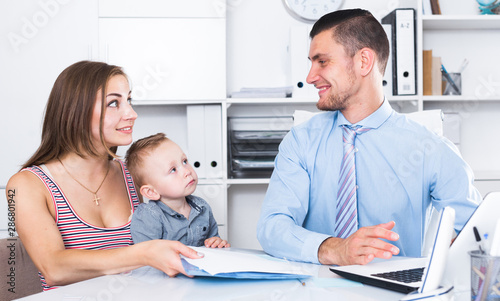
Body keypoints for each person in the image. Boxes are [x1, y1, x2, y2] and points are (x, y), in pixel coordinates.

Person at [256, 9, 481, 266]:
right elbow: (272, 227)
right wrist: (335, 249)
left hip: (393, 292)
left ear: (364, 61)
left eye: (322, 61)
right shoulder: (301, 141)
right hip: (312, 289)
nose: (310, 77)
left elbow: (482, 235)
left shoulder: (430, 148)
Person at [6, 61, 203, 291]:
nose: (132, 114)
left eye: (128, 101)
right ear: (76, 112)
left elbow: (174, 227)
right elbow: (54, 268)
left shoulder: (133, 175)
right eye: (113, 103)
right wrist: (144, 254)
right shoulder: (27, 185)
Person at [125, 133, 229, 248]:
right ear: (151, 192)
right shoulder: (148, 216)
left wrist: (217, 242)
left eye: (184, 161)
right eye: (173, 170)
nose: (187, 171)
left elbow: (213, 243)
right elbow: (146, 256)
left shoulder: (202, 207)